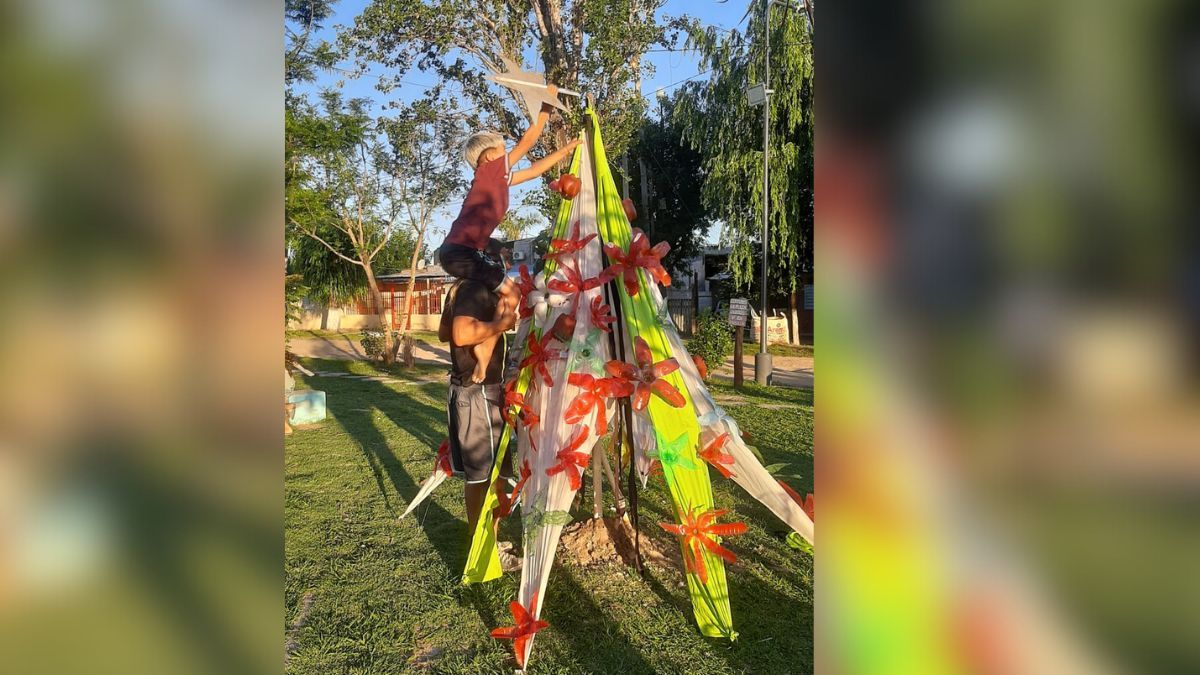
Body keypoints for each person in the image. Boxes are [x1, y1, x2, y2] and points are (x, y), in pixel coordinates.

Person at [438, 91, 582, 384]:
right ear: (489, 155)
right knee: (513, 294)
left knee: (507, 295)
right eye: (502, 148)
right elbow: (528, 142)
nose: (507, 153)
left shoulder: (499, 178)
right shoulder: (490, 170)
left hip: (463, 253)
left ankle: (485, 349)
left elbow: (535, 168)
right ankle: (492, 337)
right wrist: (545, 107)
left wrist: (569, 149)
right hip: (461, 252)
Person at [438, 251, 521, 570]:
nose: (504, 269)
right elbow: (459, 335)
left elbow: (445, 333)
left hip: (465, 390)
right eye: (501, 262)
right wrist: (500, 323)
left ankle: (483, 541)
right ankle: (484, 551)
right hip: (478, 393)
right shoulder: (476, 287)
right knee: (487, 478)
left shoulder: (459, 288)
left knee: (483, 476)